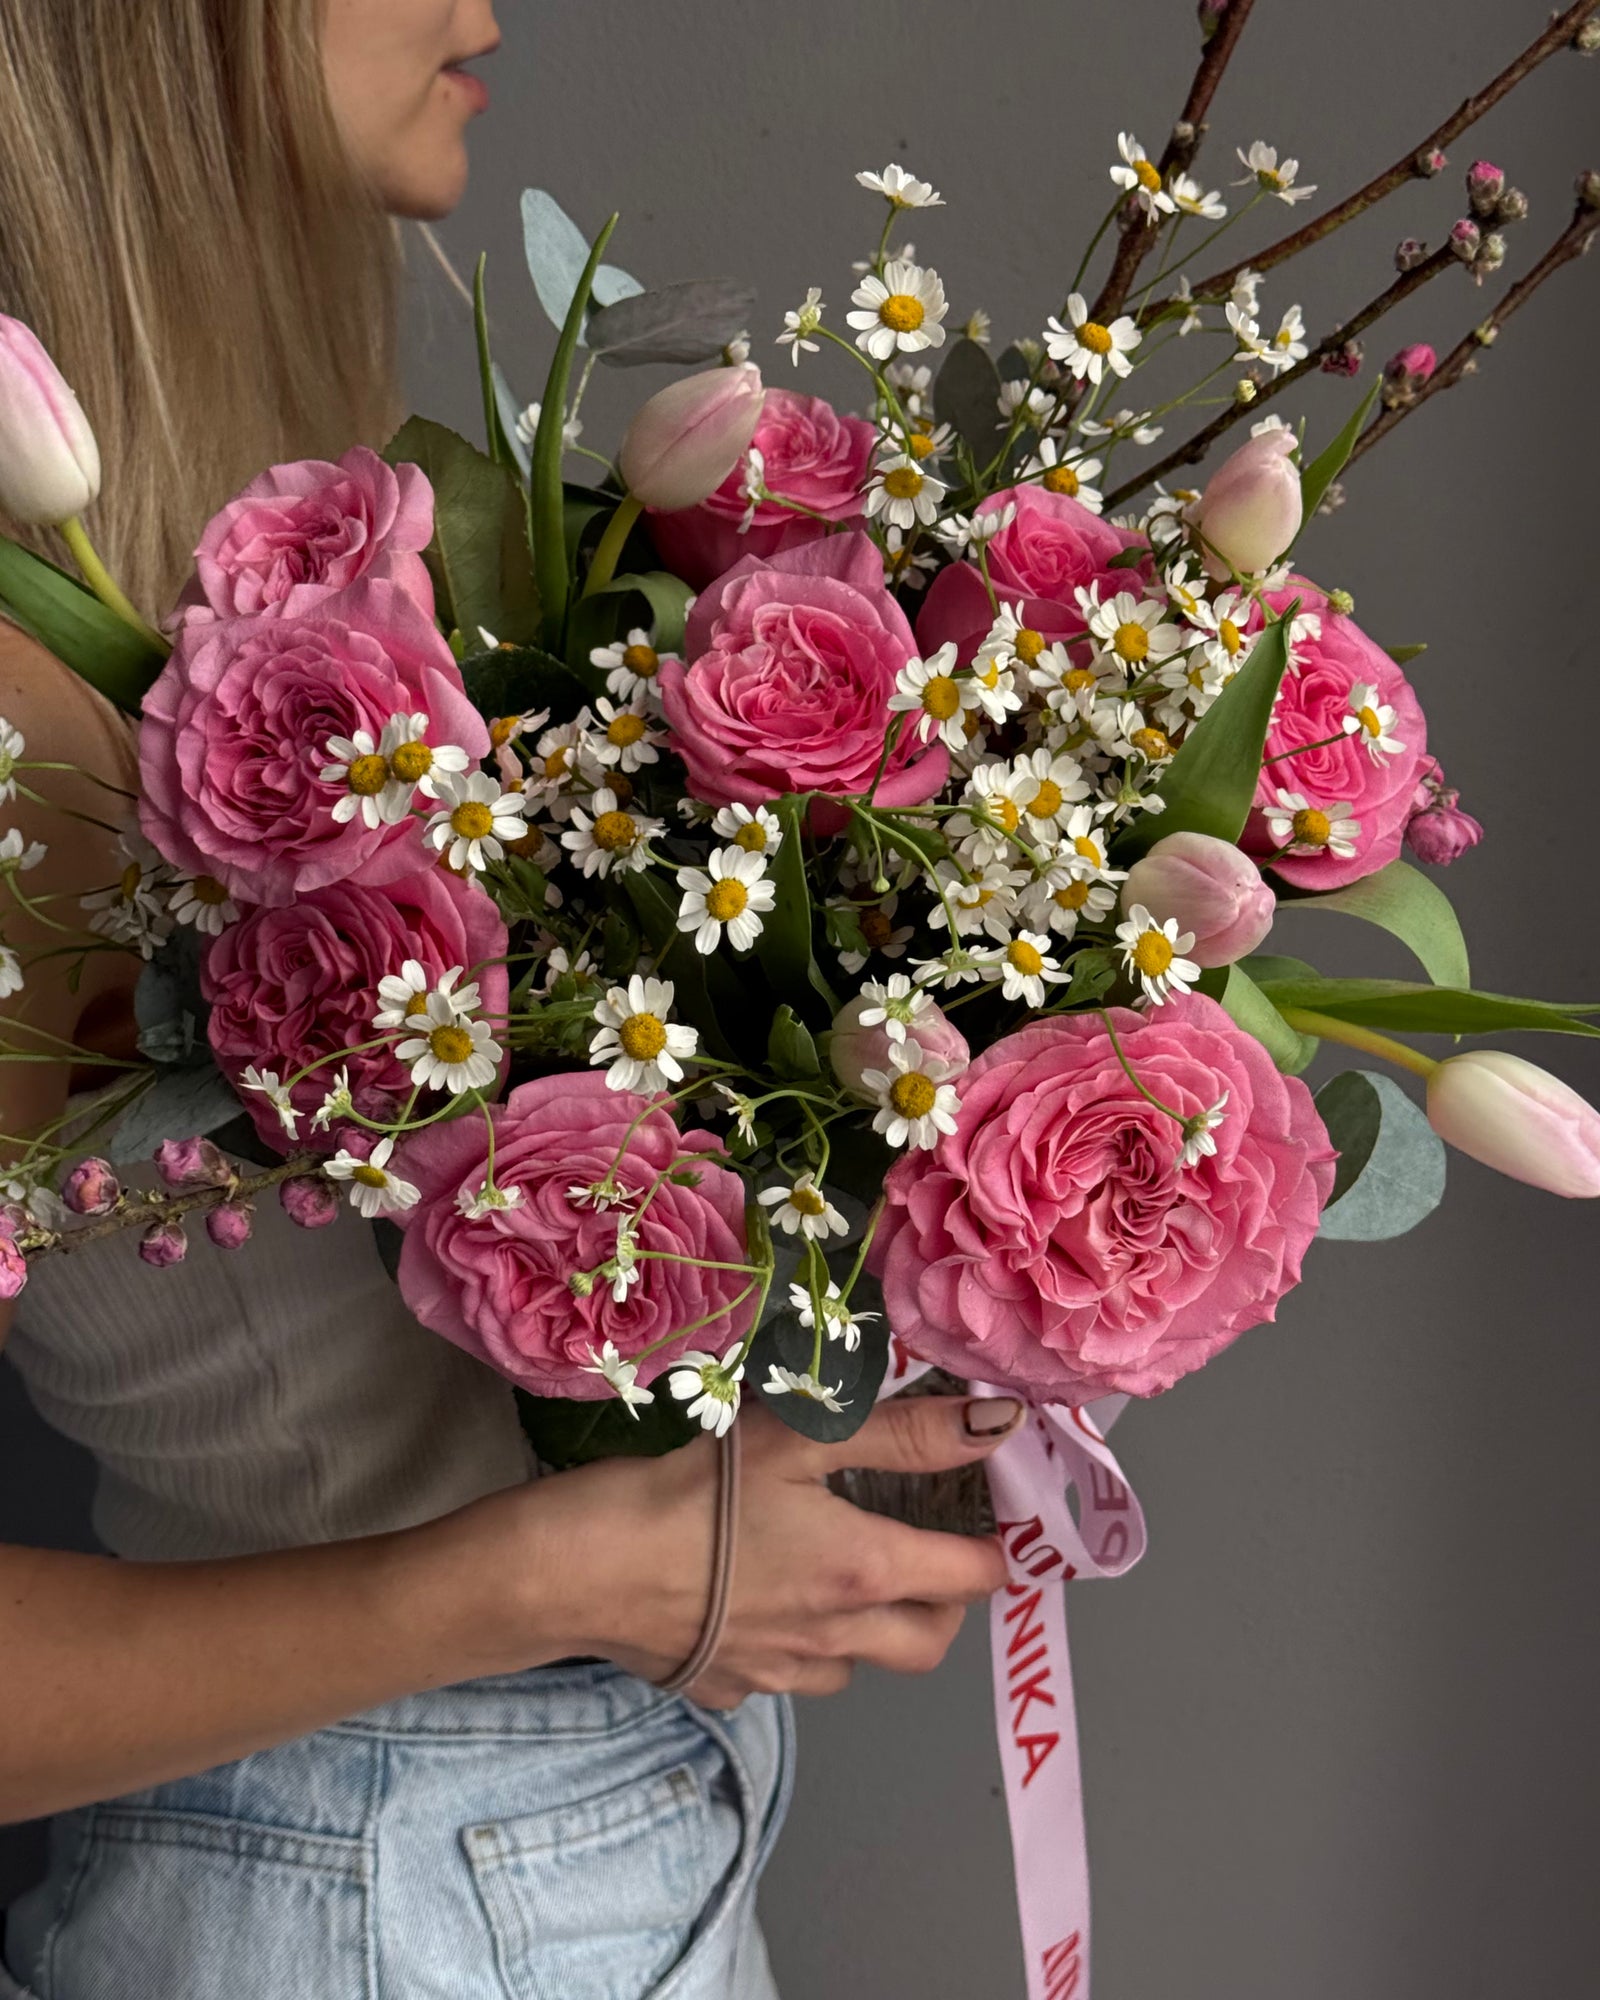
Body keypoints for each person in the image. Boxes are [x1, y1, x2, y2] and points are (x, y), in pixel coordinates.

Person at [0, 5, 1021, 1995]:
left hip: (559, 1841)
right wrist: (551, 1574)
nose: (487, 5)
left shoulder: (295, 586)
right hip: (358, 1895)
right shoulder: (28, 734)